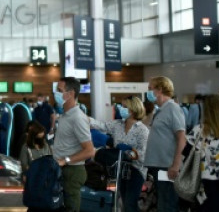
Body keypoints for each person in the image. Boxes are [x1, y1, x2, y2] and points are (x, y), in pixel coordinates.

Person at [88, 97, 149, 212]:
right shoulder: (117, 124)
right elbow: (100, 125)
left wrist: (129, 152)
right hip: (116, 169)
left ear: (133, 109)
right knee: (115, 198)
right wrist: (84, 118)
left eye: (125, 107)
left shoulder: (142, 130)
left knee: (129, 202)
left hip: (135, 170)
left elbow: (143, 154)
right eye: (121, 106)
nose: (121, 109)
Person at [143, 76, 186, 212]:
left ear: (160, 89)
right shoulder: (160, 110)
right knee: (162, 202)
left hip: (167, 166)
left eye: (150, 88)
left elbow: (181, 138)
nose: (148, 92)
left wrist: (176, 165)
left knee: (167, 204)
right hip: (159, 166)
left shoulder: (173, 108)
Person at [51, 78, 95, 212]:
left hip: (72, 171)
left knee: (71, 208)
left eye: (59, 91)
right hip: (62, 169)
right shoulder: (64, 116)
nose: (56, 94)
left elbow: (89, 151)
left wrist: (66, 160)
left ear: (70, 93)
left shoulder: (77, 117)